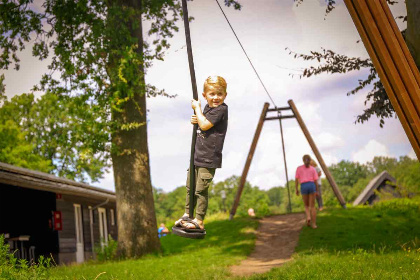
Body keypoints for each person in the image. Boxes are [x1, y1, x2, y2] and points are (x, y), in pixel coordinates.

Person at [174, 76, 229, 230]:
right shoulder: (208, 109)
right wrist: (197, 117)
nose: (216, 97)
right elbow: (202, 120)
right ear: (205, 96)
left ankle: (199, 220)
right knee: (190, 186)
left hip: (209, 158)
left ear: (225, 95)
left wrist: (197, 109)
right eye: (212, 94)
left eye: (219, 94)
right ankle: (187, 215)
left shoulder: (221, 109)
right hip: (197, 156)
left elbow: (204, 125)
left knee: (200, 190)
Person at [295, 155, 319, 229]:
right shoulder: (313, 169)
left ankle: (308, 217)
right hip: (311, 185)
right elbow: (315, 181)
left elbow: (296, 180)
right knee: (312, 206)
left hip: (304, 186)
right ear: (310, 160)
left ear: (303, 160)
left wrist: (296, 189)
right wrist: (317, 190)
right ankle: (314, 224)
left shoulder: (299, 168)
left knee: (306, 205)